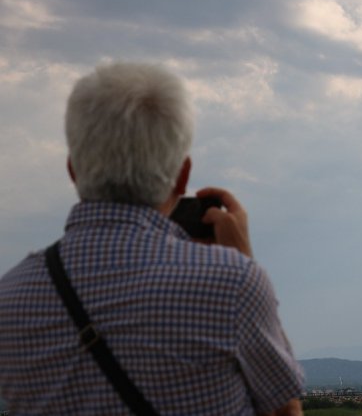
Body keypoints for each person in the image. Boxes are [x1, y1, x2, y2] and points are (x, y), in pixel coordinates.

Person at [0, 62, 304, 415]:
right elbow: (285, 410)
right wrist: (245, 260)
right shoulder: (233, 283)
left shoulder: (10, 298)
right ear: (182, 175)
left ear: (73, 169)